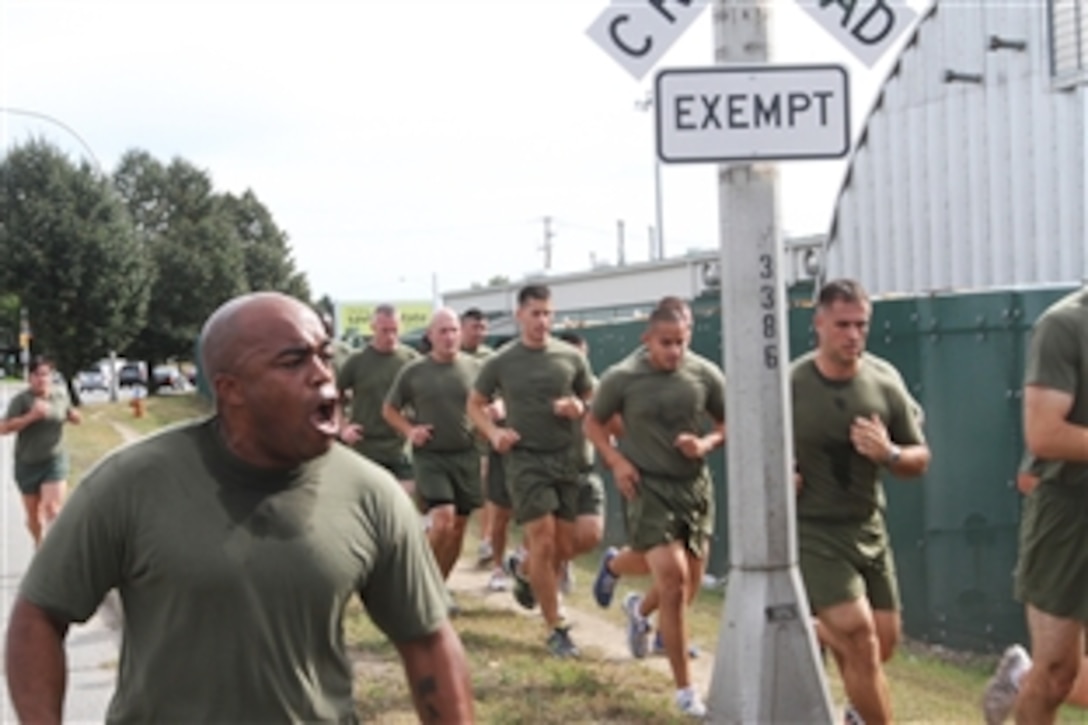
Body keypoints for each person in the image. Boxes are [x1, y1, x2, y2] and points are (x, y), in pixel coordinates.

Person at [5, 292, 475, 723]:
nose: (321, 374)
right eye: (294, 361)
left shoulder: (370, 493)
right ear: (230, 390)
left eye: (324, 356)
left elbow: (428, 640)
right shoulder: (130, 484)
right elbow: (38, 616)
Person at [790, 278, 931, 725]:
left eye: (861, 326)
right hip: (813, 527)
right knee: (860, 637)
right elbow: (748, 445)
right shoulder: (791, 384)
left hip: (868, 527)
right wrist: (777, 475)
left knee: (883, 643)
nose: (853, 335)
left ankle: (814, 634)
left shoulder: (884, 380)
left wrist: (888, 453)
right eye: (842, 325)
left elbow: (919, 457)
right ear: (819, 324)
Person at [583, 305, 725, 718]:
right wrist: (616, 460)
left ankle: (635, 603)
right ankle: (685, 690)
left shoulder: (705, 375)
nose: (675, 352)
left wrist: (706, 445)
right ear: (647, 339)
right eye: (666, 343)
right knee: (674, 580)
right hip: (647, 488)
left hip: (695, 490)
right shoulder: (622, 377)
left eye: (682, 342)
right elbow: (593, 424)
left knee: (690, 581)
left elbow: (728, 422)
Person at [467, 284, 593, 658]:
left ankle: (523, 572)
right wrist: (493, 432)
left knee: (564, 546)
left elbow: (590, 398)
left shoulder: (570, 357)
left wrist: (578, 407)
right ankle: (557, 627)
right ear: (520, 314)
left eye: (548, 314)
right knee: (543, 537)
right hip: (525, 460)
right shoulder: (502, 361)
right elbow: (474, 404)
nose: (542, 321)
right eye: (535, 313)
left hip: (565, 458)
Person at [1000, 285, 1088, 725]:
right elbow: (1045, 434)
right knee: (1056, 673)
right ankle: (1020, 682)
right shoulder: (1064, 325)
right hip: (1070, 513)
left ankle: (1016, 680)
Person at [981, 455, 1088, 724]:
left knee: (1060, 677)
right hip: (1070, 531)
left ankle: (1021, 676)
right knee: (1057, 677)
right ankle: (1025, 678)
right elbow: (1030, 478)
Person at [383, 308, 484, 582]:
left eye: (453, 331)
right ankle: (415, 579)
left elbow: (496, 399)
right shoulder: (414, 371)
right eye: (443, 331)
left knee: (458, 527)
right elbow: (390, 409)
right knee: (442, 520)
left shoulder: (475, 368)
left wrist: (496, 409)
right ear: (431, 336)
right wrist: (410, 430)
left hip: (466, 454)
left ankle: (438, 588)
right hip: (431, 457)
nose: (449, 337)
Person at [337, 304, 420, 495]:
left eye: (395, 330)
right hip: (365, 445)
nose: (390, 336)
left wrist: (415, 428)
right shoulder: (356, 361)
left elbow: (424, 397)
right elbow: (335, 399)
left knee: (403, 500)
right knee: (366, 501)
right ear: (373, 328)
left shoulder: (411, 360)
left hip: (400, 446)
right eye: (385, 330)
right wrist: (343, 428)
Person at [0, 355, 82, 546]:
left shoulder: (60, 396)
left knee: (53, 509)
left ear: (52, 377)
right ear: (30, 378)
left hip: (54, 460)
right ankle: (39, 545)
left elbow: (70, 413)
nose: (42, 379)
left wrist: (74, 417)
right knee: (34, 517)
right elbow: (3, 428)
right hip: (27, 463)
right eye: (37, 375)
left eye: (46, 375)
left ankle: (55, 554)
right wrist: (31, 416)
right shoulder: (21, 400)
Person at [460, 307, 498, 568]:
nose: (480, 333)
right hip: (454, 433)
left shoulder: (492, 359)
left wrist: (499, 406)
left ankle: (486, 542)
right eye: (475, 327)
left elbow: (504, 389)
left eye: (484, 327)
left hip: (483, 433)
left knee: (487, 487)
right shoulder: (450, 354)